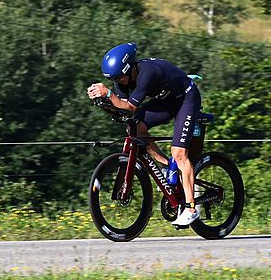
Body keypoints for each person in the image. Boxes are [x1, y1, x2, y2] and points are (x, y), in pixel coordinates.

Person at [87, 43, 202, 227]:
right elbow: (123, 111)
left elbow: (130, 108)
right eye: (114, 79)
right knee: (136, 128)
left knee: (179, 153)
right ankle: (167, 166)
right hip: (167, 101)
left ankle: (190, 208)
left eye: (120, 77)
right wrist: (103, 102)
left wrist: (108, 93)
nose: (119, 81)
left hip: (187, 99)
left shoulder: (147, 73)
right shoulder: (121, 79)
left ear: (129, 68)